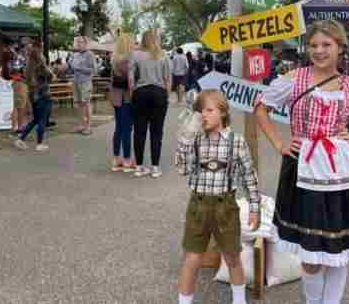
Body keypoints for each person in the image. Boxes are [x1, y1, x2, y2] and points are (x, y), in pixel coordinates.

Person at [254, 20, 349, 304]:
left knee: (337, 250)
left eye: (326, 45)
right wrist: (280, 143)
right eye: (314, 45)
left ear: (340, 48)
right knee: (311, 250)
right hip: (302, 168)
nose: (319, 51)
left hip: (342, 171)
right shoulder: (294, 79)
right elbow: (261, 109)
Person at [175, 89, 260, 304]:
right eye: (200, 111)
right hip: (199, 205)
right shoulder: (195, 140)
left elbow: (249, 176)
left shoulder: (236, 141)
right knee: (192, 258)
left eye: (209, 110)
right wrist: (186, 138)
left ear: (222, 113)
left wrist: (255, 207)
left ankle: (239, 300)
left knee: (232, 256)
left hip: (226, 206)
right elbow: (182, 168)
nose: (203, 115)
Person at [129, 30, 171, 178]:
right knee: (157, 132)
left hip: (141, 93)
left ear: (143, 40)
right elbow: (167, 79)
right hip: (159, 93)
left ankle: (139, 167)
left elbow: (131, 79)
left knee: (139, 131)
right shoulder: (163, 55)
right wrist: (167, 96)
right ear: (156, 40)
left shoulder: (135, 55)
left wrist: (132, 93)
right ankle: (155, 167)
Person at [14, 45, 52, 152]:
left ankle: (21, 139)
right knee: (42, 119)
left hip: (33, 96)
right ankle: (39, 144)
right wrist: (47, 67)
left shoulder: (28, 68)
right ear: (39, 56)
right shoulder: (41, 67)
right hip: (43, 94)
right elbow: (51, 77)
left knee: (36, 119)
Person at [109, 33, 136, 172]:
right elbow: (131, 80)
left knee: (119, 128)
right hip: (126, 97)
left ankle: (115, 158)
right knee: (127, 129)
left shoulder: (114, 58)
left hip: (116, 96)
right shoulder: (129, 59)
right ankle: (126, 159)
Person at [70, 36, 96, 135]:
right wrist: (71, 65)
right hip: (76, 81)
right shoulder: (75, 54)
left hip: (85, 82)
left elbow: (93, 70)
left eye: (81, 42)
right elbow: (72, 67)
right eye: (78, 43)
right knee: (79, 104)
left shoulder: (90, 54)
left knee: (86, 103)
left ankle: (88, 126)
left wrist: (79, 68)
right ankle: (81, 125)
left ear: (85, 44)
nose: (79, 44)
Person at [10, 65, 29, 136]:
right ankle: (18, 128)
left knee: (19, 110)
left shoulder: (19, 80)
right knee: (19, 110)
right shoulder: (19, 80)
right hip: (20, 91)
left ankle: (18, 127)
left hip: (21, 91)